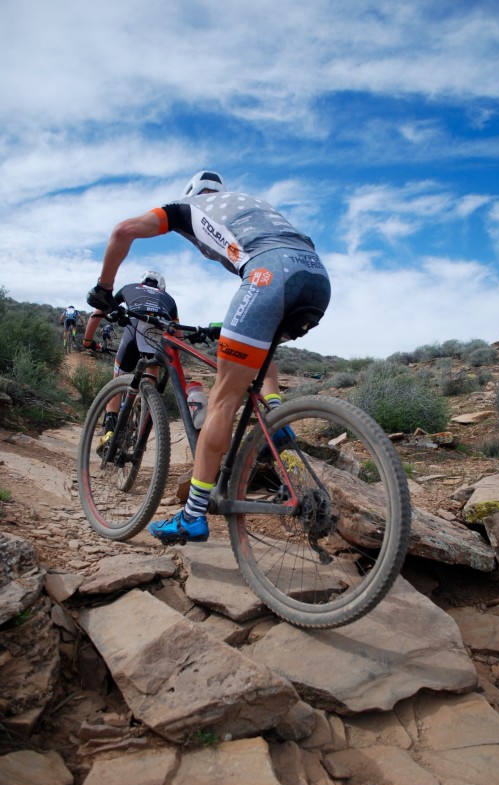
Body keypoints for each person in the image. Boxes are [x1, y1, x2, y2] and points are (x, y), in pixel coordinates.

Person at [86, 170, 331, 544]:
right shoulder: (252, 204)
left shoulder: (188, 207)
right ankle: (276, 415)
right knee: (259, 358)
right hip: (315, 276)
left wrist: (104, 290)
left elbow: (123, 231)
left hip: (269, 273)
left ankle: (192, 515)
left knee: (223, 399)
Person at [83, 270, 179, 441]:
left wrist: (87, 341)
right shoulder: (169, 299)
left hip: (134, 326)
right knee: (151, 375)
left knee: (118, 376)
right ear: (161, 287)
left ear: (142, 282)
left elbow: (97, 313)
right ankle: (140, 424)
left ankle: (109, 431)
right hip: (157, 330)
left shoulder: (130, 288)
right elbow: (178, 336)